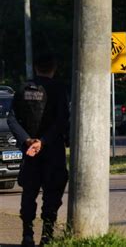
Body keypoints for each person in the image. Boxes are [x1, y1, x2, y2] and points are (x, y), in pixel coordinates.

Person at [7, 53, 69, 247]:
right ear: (54, 68)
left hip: (29, 153)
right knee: (52, 194)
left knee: (29, 193)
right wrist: (42, 142)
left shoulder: (22, 89)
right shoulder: (58, 90)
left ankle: (27, 235)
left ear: (35, 68)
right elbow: (62, 121)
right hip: (52, 151)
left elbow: (12, 119)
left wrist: (27, 141)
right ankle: (47, 236)